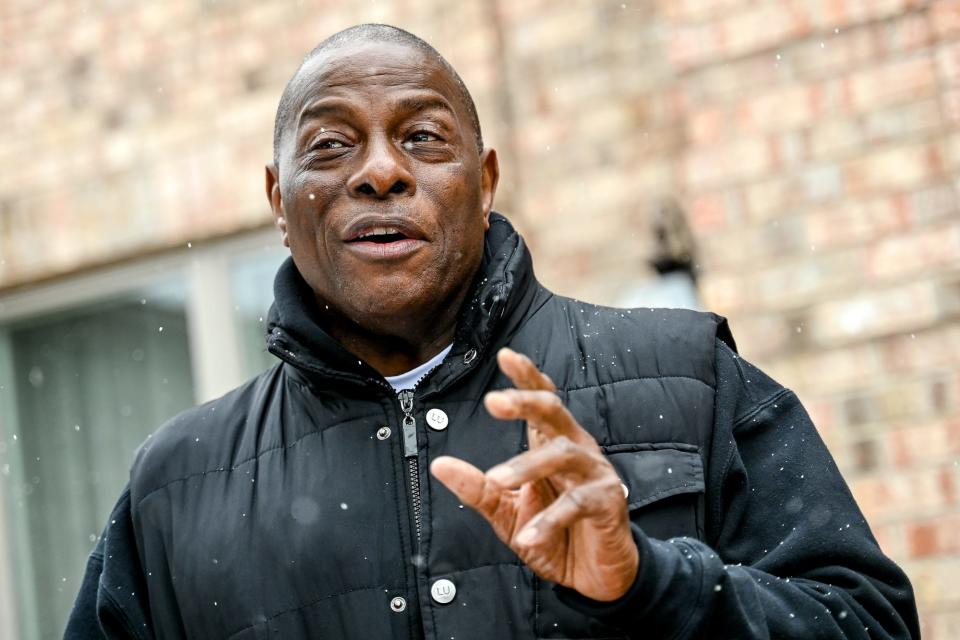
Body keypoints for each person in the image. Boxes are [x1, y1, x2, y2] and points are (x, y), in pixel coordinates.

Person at [66, 24, 920, 639]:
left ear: (484, 181)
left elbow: (872, 626)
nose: (380, 170)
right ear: (277, 204)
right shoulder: (174, 487)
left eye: (422, 137)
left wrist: (654, 587)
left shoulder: (691, 378)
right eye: (330, 146)